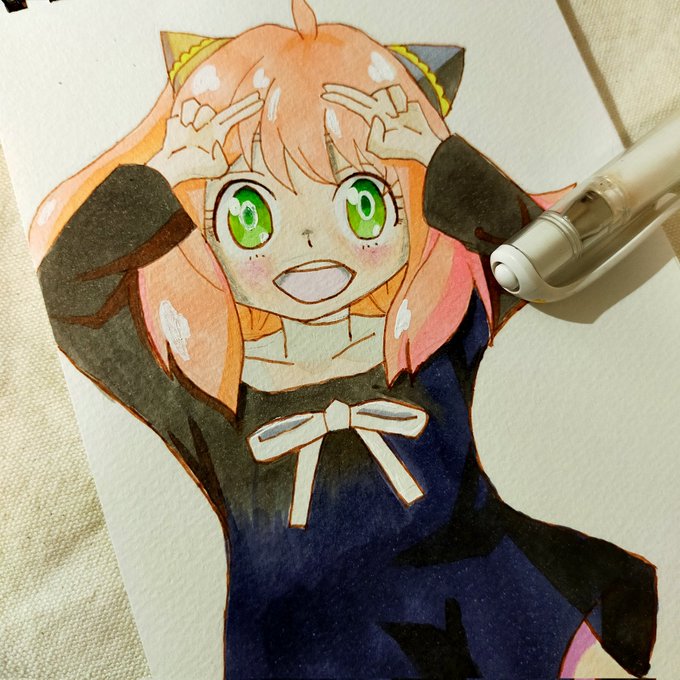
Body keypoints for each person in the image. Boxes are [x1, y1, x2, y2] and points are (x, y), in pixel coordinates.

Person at [31, 1, 657, 677]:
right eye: (249, 211)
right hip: (303, 647)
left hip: (486, 603)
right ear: (197, 224)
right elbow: (70, 297)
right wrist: (161, 179)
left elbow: (535, 255)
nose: (309, 240)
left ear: (409, 201)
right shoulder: (204, 392)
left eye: (362, 203)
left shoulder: (430, 339)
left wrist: (435, 155)